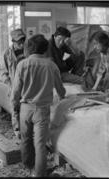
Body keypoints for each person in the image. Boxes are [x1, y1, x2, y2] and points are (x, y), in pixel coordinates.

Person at [10, 34, 66, 177]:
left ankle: (28, 166)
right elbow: (60, 90)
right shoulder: (51, 65)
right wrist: (62, 96)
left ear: (30, 48)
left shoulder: (22, 64)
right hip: (42, 110)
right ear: (45, 48)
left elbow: (15, 90)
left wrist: (14, 108)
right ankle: (40, 174)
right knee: (40, 144)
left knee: (26, 140)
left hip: (25, 109)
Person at [0, 28, 26, 138]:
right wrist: (10, 85)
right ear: (13, 41)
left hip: (27, 86)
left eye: (23, 40)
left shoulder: (28, 51)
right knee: (15, 109)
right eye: (19, 41)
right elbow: (3, 72)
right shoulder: (7, 53)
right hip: (14, 86)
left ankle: (27, 131)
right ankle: (18, 132)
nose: (22, 44)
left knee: (26, 109)